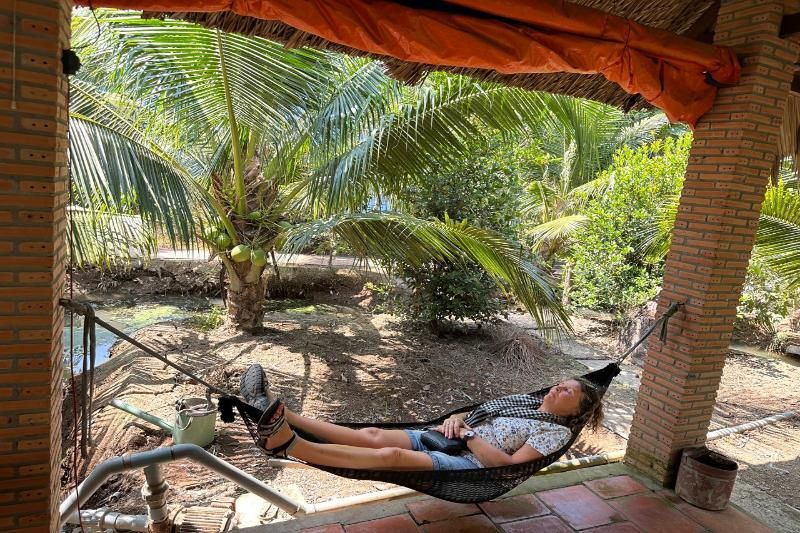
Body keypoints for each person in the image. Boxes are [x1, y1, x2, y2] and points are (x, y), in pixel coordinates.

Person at [239, 364, 603, 471]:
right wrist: (459, 420)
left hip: (473, 464)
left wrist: (469, 436)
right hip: (452, 437)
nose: (558, 388)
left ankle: (286, 443)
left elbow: (507, 465)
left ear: (579, 410)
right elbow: (474, 414)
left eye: (568, 392)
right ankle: (276, 409)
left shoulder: (553, 433)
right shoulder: (525, 402)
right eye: (560, 384)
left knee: (390, 457)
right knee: (370, 434)